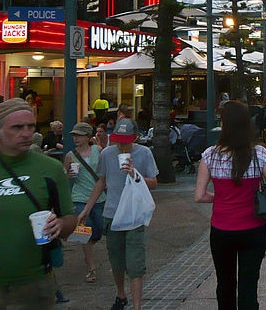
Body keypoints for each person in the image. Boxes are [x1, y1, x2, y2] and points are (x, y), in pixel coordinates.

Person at [194, 101, 266, 310]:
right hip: (253, 229)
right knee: (248, 286)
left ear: (223, 124)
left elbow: (199, 196)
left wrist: (223, 198)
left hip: (222, 230)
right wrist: (255, 196)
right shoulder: (260, 154)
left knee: (224, 284)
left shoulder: (210, 155)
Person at [0, 98, 76, 309]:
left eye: (30, 126)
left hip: (33, 285)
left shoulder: (50, 169)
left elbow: (70, 219)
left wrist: (60, 225)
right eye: (17, 127)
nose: (26, 133)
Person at [79, 110, 158, 310]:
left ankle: (137, 305)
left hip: (134, 215)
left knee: (135, 263)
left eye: (125, 141)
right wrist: (87, 208)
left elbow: (154, 183)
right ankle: (121, 295)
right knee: (116, 260)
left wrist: (134, 173)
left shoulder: (144, 153)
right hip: (112, 214)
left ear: (135, 138)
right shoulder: (107, 154)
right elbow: (102, 181)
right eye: (118, 141)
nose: (121, 146)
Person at [63, 122, 105, 284]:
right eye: (74, 135)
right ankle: (91, 268)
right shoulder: (70, 155)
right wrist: (69, 174)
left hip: (100, 198)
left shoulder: (98, 151)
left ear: (88, 137)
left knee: (99, 229)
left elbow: (105, 172)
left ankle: (89, 245)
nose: (75, 138)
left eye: (79, 135)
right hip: (79, 197)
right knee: (83, 234)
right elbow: (63, 174)